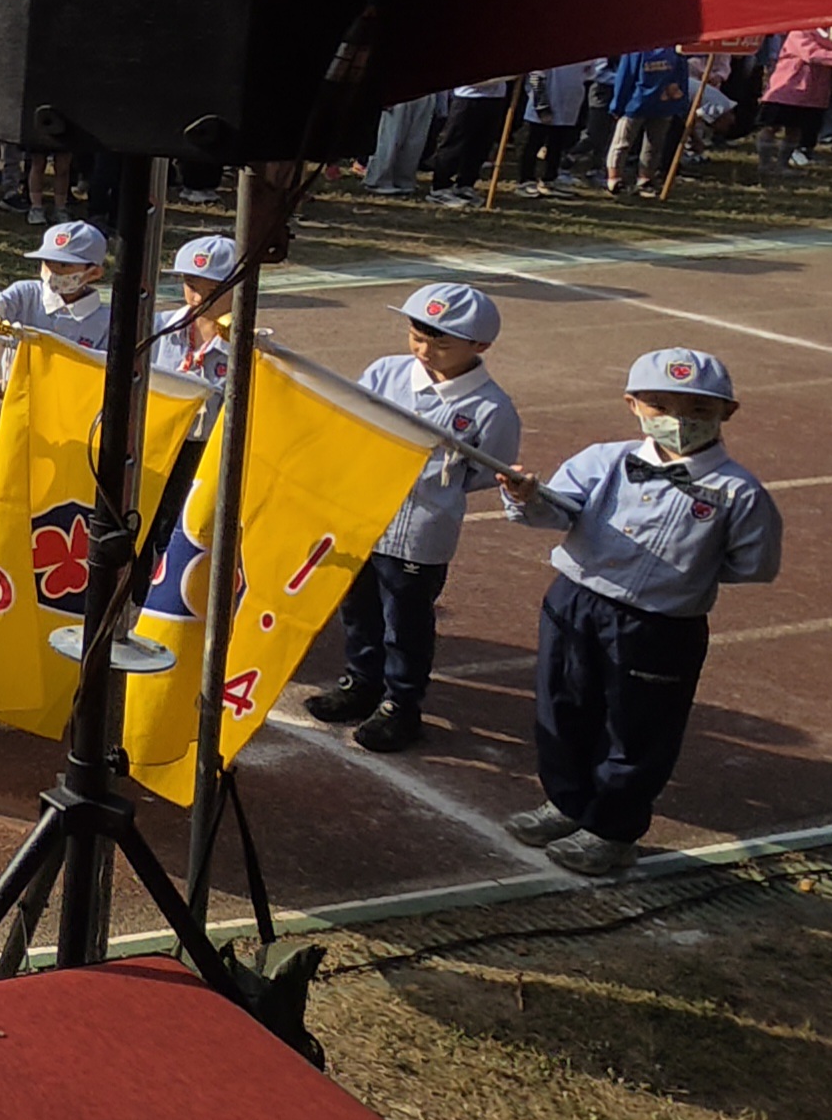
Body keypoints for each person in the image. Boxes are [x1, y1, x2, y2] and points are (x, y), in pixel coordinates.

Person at [494, 347, 783, 878]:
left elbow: (752, 563)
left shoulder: (737, 492)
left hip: (659, 624)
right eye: (661, 406)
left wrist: (681, 577)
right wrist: (526, 495)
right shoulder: (603, 460)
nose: (679, 421)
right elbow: (556, 512)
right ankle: (567, 802)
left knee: (637, 728)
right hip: (575, 601)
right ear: (633, 405)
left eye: (699, 410)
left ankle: (613, 829)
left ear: (728, 412)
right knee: (563, 707)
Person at [309, 282, 522, 756]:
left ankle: (400, 704)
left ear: (480, 345)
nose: (424, 351)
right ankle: (361, 681)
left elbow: (486, 470)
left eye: (441, 345)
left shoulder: (490, 407)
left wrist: (432, 488)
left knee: (404, 621)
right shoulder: (386, 372)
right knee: (358, 608)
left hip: (420, 532)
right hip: (365, 517)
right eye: (417, 337)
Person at [0, 220, 114, 347]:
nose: (52, 271)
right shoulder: (26, 294)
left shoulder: (106, 322)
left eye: (64, 265)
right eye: (47, 262)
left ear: (94, 273)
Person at [157, 232, 242, 381]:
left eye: (214, 290)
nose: (199, 299)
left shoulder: (247, 346)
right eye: (191, 286)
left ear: (239, 288)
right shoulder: (155, 327)